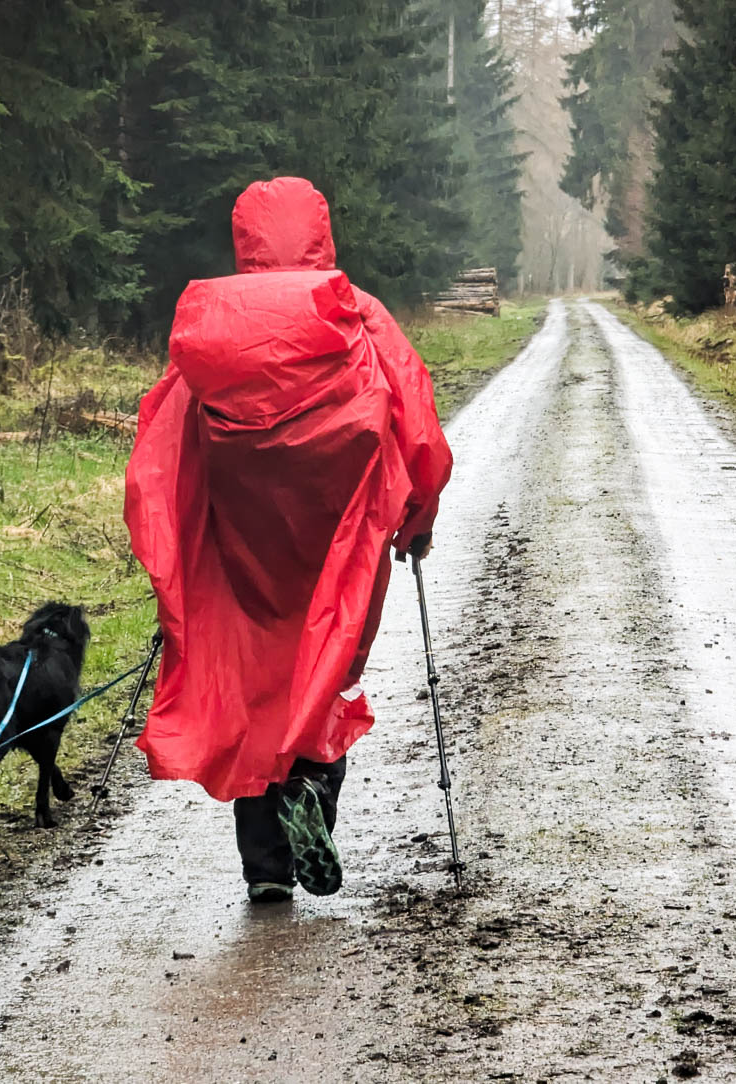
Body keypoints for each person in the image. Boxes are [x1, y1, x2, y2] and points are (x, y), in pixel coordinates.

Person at [124, 177, 452, 903]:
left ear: (245, 242)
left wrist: (175, 546)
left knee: (255, 686)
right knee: (324, 671)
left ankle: (267, 869)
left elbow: (162, 447)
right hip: (344, 545)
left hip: (245, 554)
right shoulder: (355, 312)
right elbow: (417, 420)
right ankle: (311, 787)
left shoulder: (210, 331)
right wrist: (418, 519)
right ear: (320, 234)